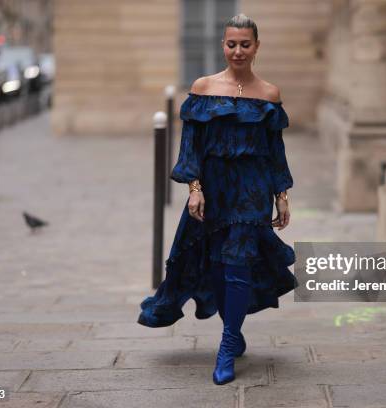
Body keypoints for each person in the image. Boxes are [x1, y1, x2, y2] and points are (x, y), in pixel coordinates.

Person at [137, 13, 298, 385]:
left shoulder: (270, 94)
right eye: (231, 44)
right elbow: (190, 146)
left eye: (245, 44)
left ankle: (227, 345)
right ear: (222, 45)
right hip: (213, 189)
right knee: (216, 266)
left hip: (252, 190)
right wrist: (194, 189)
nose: (237, 51)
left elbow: (275, 152)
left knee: (238, 263)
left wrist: (282, 195)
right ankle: (235, 330)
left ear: (256, 47)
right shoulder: (204, 87)